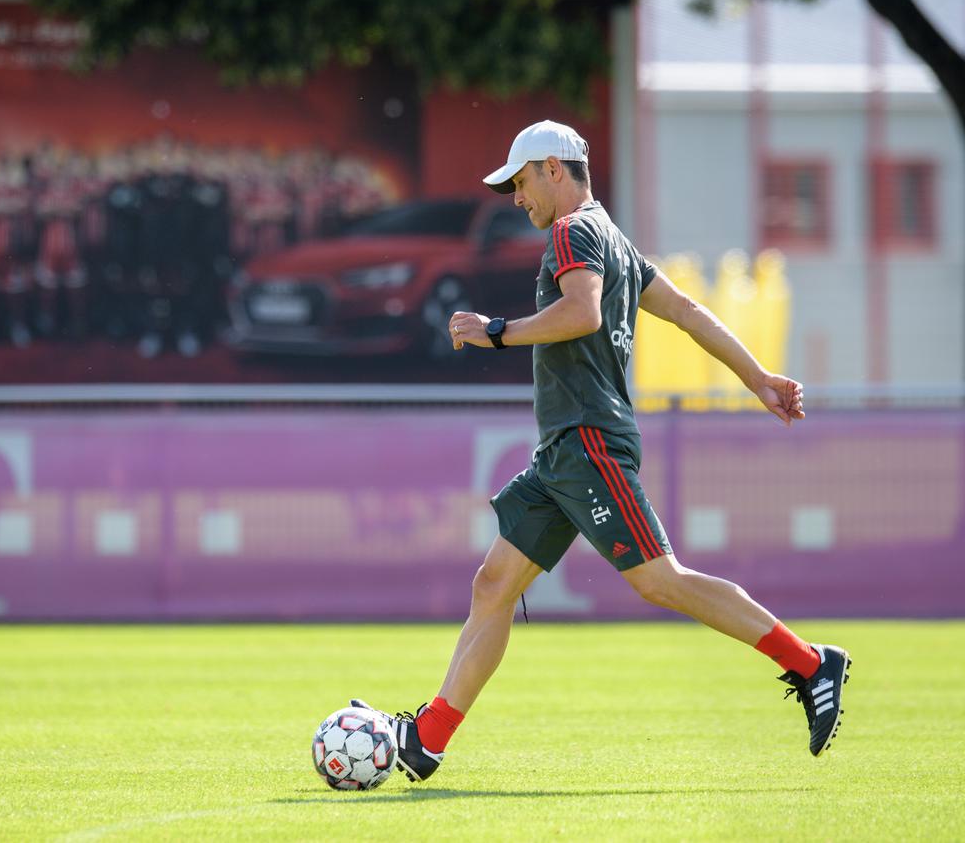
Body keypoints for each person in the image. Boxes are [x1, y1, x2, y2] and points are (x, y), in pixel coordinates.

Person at [354, 120, 850, 782]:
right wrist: (757, 376)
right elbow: (690, 313)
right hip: (565, 449)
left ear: (554, 169)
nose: (516, 197)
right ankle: (428, 740)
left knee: (658, 579)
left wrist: (495, 331)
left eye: (521, 181)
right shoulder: (611, 238)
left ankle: (811, 662)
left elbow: (582, 312)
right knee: (493, 583)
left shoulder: (574, 231)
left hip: (588, 439)